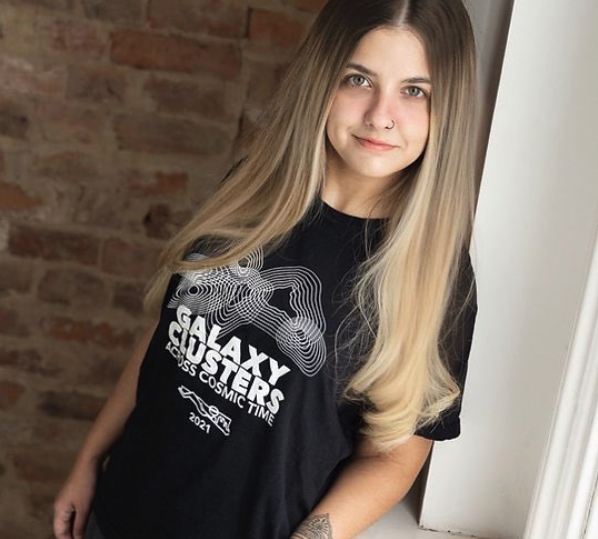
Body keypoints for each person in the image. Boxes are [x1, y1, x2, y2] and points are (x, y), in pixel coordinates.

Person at [53, 0, 478, 537]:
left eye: (414, 91)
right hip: (116, 516)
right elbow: (169, 334)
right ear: (322, 78)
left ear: (448, 106)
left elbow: (392, 458)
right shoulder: (253, 188)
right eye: (358, 79)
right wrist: (89, 459)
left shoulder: (433, 276)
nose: (380, 114)